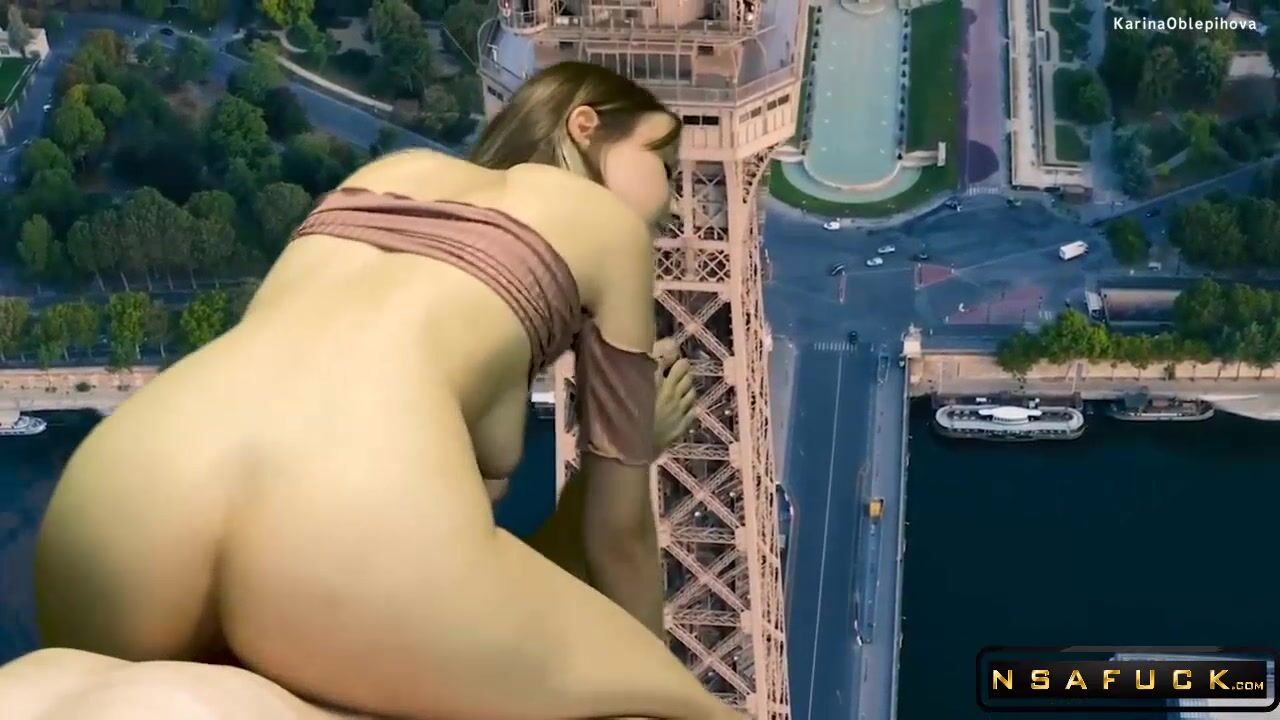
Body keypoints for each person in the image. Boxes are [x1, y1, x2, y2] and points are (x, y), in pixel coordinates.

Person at [24, 61, 746, 720]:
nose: (675, 202)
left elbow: (485, 568)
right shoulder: (608, 226)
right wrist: (654, 677)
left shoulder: (391, 172)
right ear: (584, 125)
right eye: (664, 162)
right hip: (347, 534)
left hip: (125, 496)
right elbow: (617, 538)